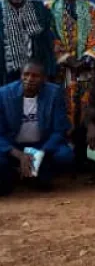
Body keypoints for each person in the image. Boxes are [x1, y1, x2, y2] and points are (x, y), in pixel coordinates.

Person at [0, 60, 74, 195]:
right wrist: (19, 154)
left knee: (65, 155)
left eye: (35, 76)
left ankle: (37, 173)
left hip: (41, 146)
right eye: (26, 75)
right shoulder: (4, 94)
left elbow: (59, 130)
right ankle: (15, 173)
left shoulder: (54, 93)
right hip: (13, 146)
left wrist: (38, 154)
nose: (29, 79)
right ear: (20, 76)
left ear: (44, 79)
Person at [48, 0, 95, 130]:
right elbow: (48, 38)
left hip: (85, 70)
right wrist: (67, 58)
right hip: (60, 72)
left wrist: (87, 58)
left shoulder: (91, 10)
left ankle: (82, 146)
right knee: (60, 108)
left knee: (86, 109)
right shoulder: (49, 8)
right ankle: (63, 145)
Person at [0, 0, 56, 85]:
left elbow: (48, 45)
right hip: (5, 75)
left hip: (34, 76)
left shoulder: (41, 9)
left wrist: (49, 73)